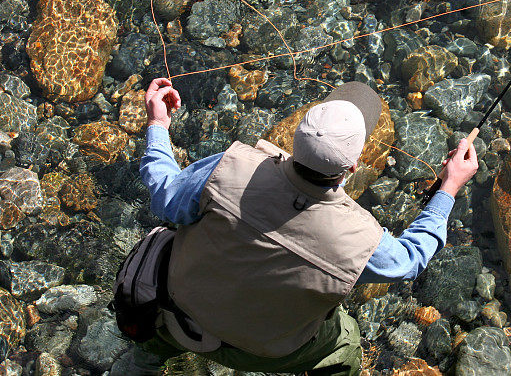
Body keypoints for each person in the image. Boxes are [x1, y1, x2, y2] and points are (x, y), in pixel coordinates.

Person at [112, 77, 479, 375]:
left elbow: (164, 192)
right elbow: (411, 259)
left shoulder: (229, 167)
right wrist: (448, 187)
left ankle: (142, 364)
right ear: (352, 168)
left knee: (157, 294)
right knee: (346, 342)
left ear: (295, 139)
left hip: (171, 317)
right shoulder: (361, 239)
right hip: (263, 354)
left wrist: (158, 124)